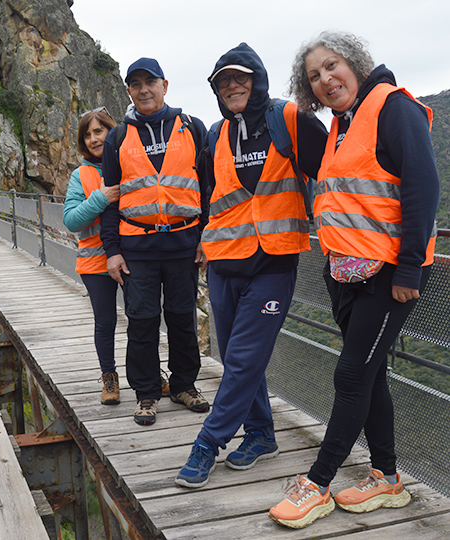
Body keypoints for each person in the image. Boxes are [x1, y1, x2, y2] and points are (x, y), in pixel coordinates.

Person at [269, 31, 439, 529]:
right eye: (314, 76)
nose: (325, 79)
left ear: (356, 64)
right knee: (370, 375)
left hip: (388, 275)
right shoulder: (342, 126)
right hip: (345, 272)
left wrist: (409, 266)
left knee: (349, 375)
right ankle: (386, 476)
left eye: (332, 66)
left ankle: (317, 485)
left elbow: (423, 188)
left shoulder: (393, 108)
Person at [175, 43, 328, 489]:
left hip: (274, 263)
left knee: (242, 359)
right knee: (239, 358)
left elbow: (333, 174)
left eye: (240, 77)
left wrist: (344, 233)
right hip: (223, 262)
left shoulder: (291, 120)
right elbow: (208, 196)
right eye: (224, 81)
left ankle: (207, 443)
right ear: (216, 90)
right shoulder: (215, 135)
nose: (233, 86)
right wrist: (202, 242)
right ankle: (261, 435)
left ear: (257, 78)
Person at [100, 57, 210, 426]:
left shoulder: (192, 128)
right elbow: (111, 198)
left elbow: (208, 190)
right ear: (129, 90)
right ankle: (146, 393)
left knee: (182, 320)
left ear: (165, 85)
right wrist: (112, 251)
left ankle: (183, 385)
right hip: (137, 249)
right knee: (142, 321)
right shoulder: (118, 137)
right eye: (136, 84)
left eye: (150, 82)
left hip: (183, 245)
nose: (144, 89)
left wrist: (207, 235)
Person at [63, 107, 122, 404]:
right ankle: (109, 378)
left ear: (112, 131)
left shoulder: (129, 164)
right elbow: (71, 220)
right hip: (95, 262)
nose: (94, 139)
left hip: (131, 257)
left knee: (144, 318)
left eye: (99, 131)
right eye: (87, 135)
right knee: (105, 321)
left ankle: (149, 374)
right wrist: (101, 197)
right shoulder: (81, 175)